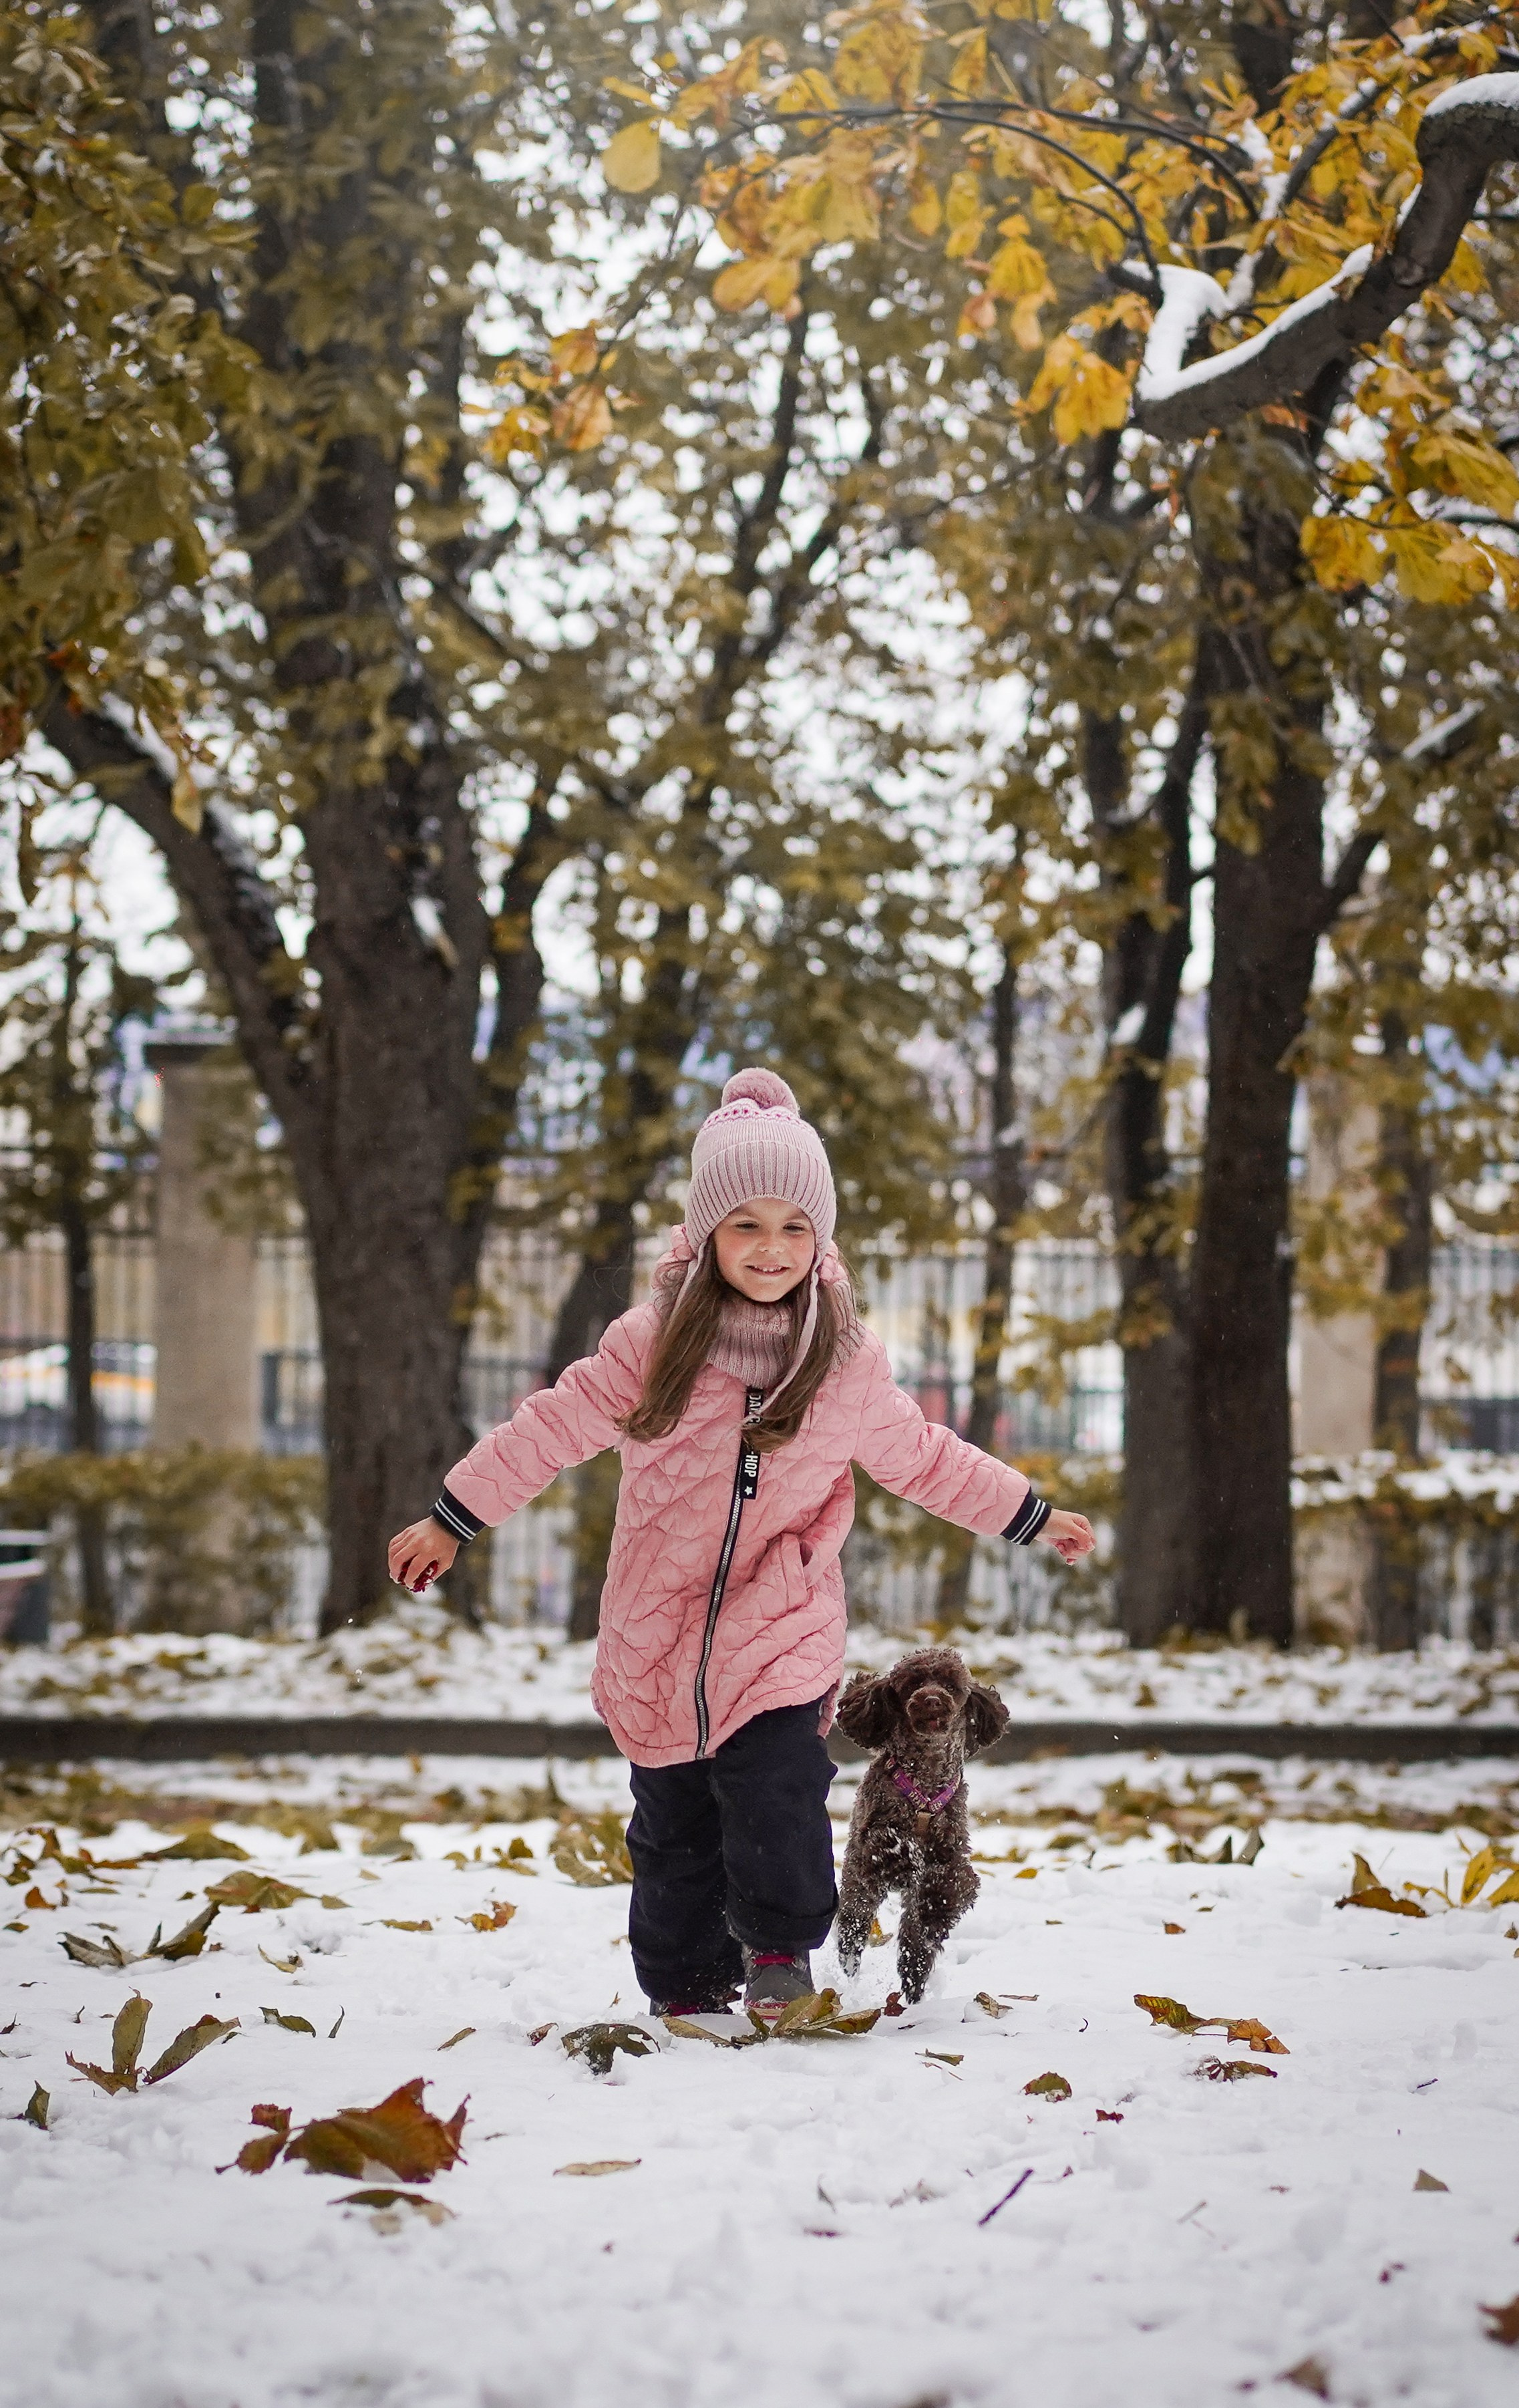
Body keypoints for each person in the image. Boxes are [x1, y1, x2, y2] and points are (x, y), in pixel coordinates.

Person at [389, 1068, 1095, 2022]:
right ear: (706, 1234)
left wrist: (1030, 1513)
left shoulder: (845, 1363)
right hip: (658, 1626)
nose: (772, 1248)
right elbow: (549, 1428)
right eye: (747, 1225)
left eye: (796, 1227)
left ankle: (777, 1954)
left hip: (781, 1617)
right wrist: (452, 1517)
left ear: (822, 1239)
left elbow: (922, 1456)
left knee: (778, 1784)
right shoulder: (649, 1347)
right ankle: (686, 1990)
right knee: (674, 1822)